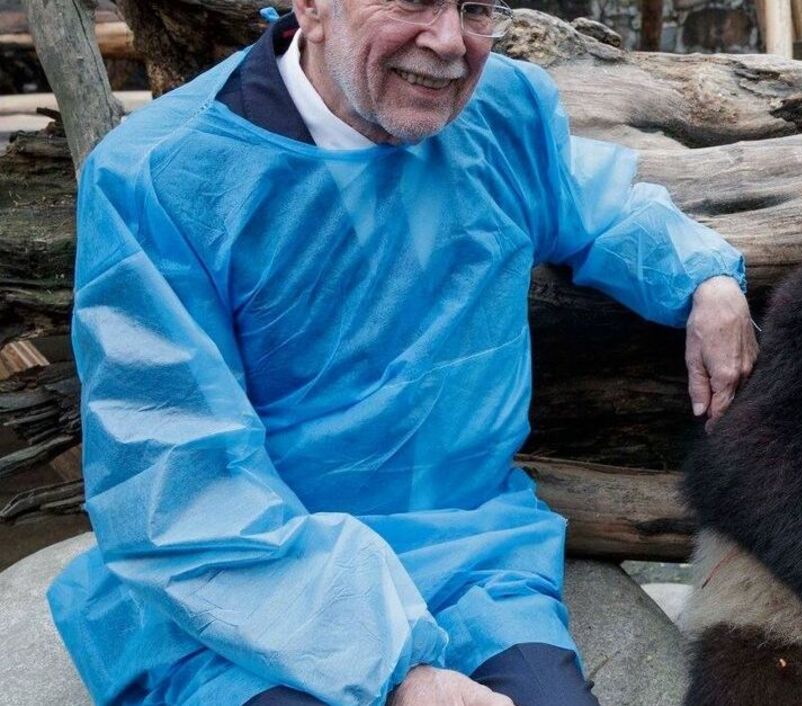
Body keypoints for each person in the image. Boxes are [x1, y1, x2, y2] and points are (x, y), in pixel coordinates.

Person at [45, 0, 757, 704]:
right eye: (413, 1)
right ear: (313, 7)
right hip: (245, 585)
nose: (449, 41)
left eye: (474, 7)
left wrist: (704, 279)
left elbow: (599, 203)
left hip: (469, 555)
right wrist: (399, 674)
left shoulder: (503, 109)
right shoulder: (160, 178)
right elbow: (181, 483)